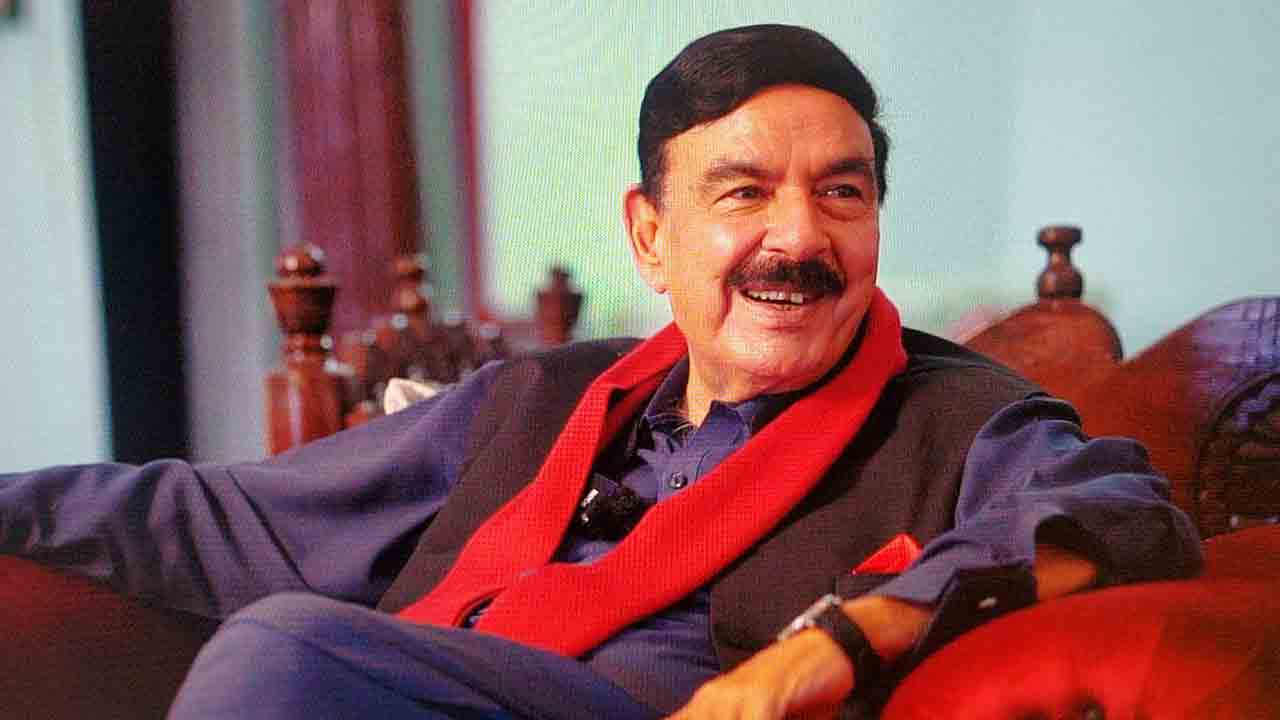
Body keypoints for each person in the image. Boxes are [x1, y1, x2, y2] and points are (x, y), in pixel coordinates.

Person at [0, 24, 1200, 719]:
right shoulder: (542, 398)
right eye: (743, 193)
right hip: (442, 684)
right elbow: (219, 514)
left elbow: (1121, 513)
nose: (797, 237)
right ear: (649, 235)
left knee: (287, 652)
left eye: (841, 192)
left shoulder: (960, 415)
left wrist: (829, 643)